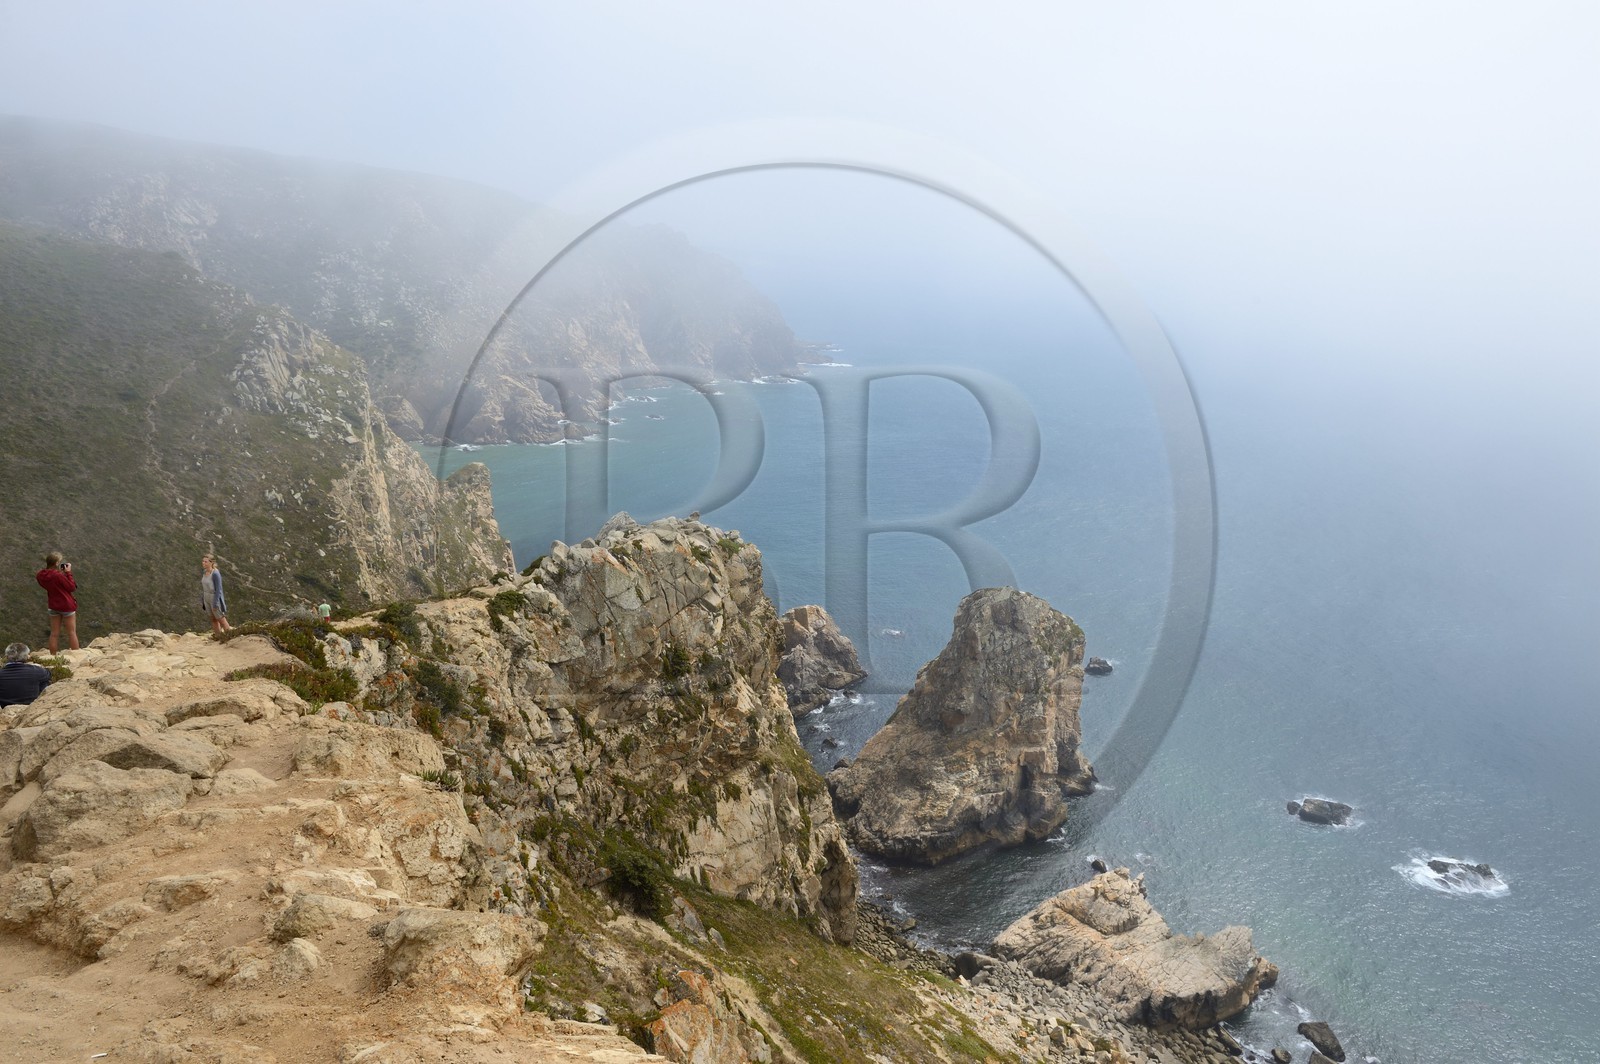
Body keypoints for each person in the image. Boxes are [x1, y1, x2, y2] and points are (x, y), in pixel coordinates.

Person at [35, 552, 79, 653]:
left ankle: (53, 656)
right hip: (67, 605)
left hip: (53, 605)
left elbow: (52, 584)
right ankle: (77, 655)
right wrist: (68, 573)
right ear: (57, 563)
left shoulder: (40, 575)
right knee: (72, 633)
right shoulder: (58, 575)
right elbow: (71, 587)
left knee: (54, 633)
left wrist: (61, 576)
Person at [201, 554, 232, 635]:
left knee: (221, 618)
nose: (203, 563)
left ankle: (229, 636)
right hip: (206, 598)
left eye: (206, 562)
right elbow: (204, 587)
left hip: (214, 597)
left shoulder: (215, 573)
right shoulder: (204, 572)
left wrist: (215, 603)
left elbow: (219, 589)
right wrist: (203, 600)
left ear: (211, 563)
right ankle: (218, 637)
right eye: (203, 561)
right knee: (213, 619)